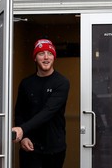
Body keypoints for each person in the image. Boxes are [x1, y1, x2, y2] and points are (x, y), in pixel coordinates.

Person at [12, 39, 70, 168]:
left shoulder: (62, 82)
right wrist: (23, 137)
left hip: (54, 147)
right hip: (30, 146)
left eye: (49, 53)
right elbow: (20, 112)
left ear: (54, 57)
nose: (46, 57)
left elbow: (48, 111)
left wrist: (22, 129)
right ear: (35, 58)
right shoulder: (26, 83)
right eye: (41, 53)